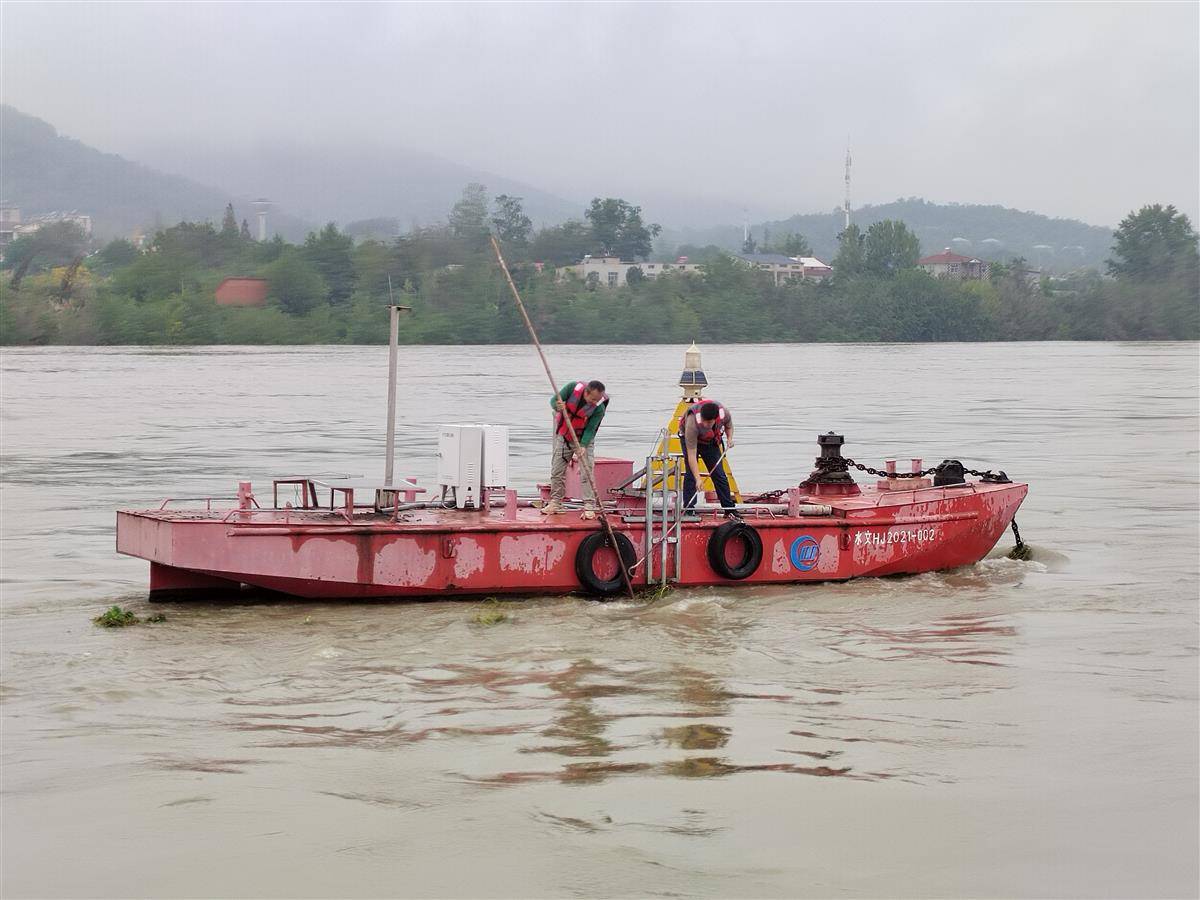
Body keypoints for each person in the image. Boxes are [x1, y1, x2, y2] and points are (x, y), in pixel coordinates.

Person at [543, 379, 608, 518]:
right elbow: (554, 400)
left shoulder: (599, 408)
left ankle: (589, 505)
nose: (594, 402)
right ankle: (556, 502)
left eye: (597, 399)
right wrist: (557, 406)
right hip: (565, 436)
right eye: (592, 399)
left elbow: (591, 429)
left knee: (586, 472)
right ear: (586, 392)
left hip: (584, 439)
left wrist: (583, 445)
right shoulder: (572, 388)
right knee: (557, 470)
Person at [678, 399, 738, 515]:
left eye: (709, 422)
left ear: (715, 419)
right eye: (704, 421)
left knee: (719, 474)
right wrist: (698, 479)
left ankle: (729, 509)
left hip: (710, 442)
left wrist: (729, 439)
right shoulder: (693, 422)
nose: (705, 424)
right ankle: (689, 509)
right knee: (691, 474)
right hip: (690, 441)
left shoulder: (724, 413)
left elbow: (729, 427)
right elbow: (691, 455)